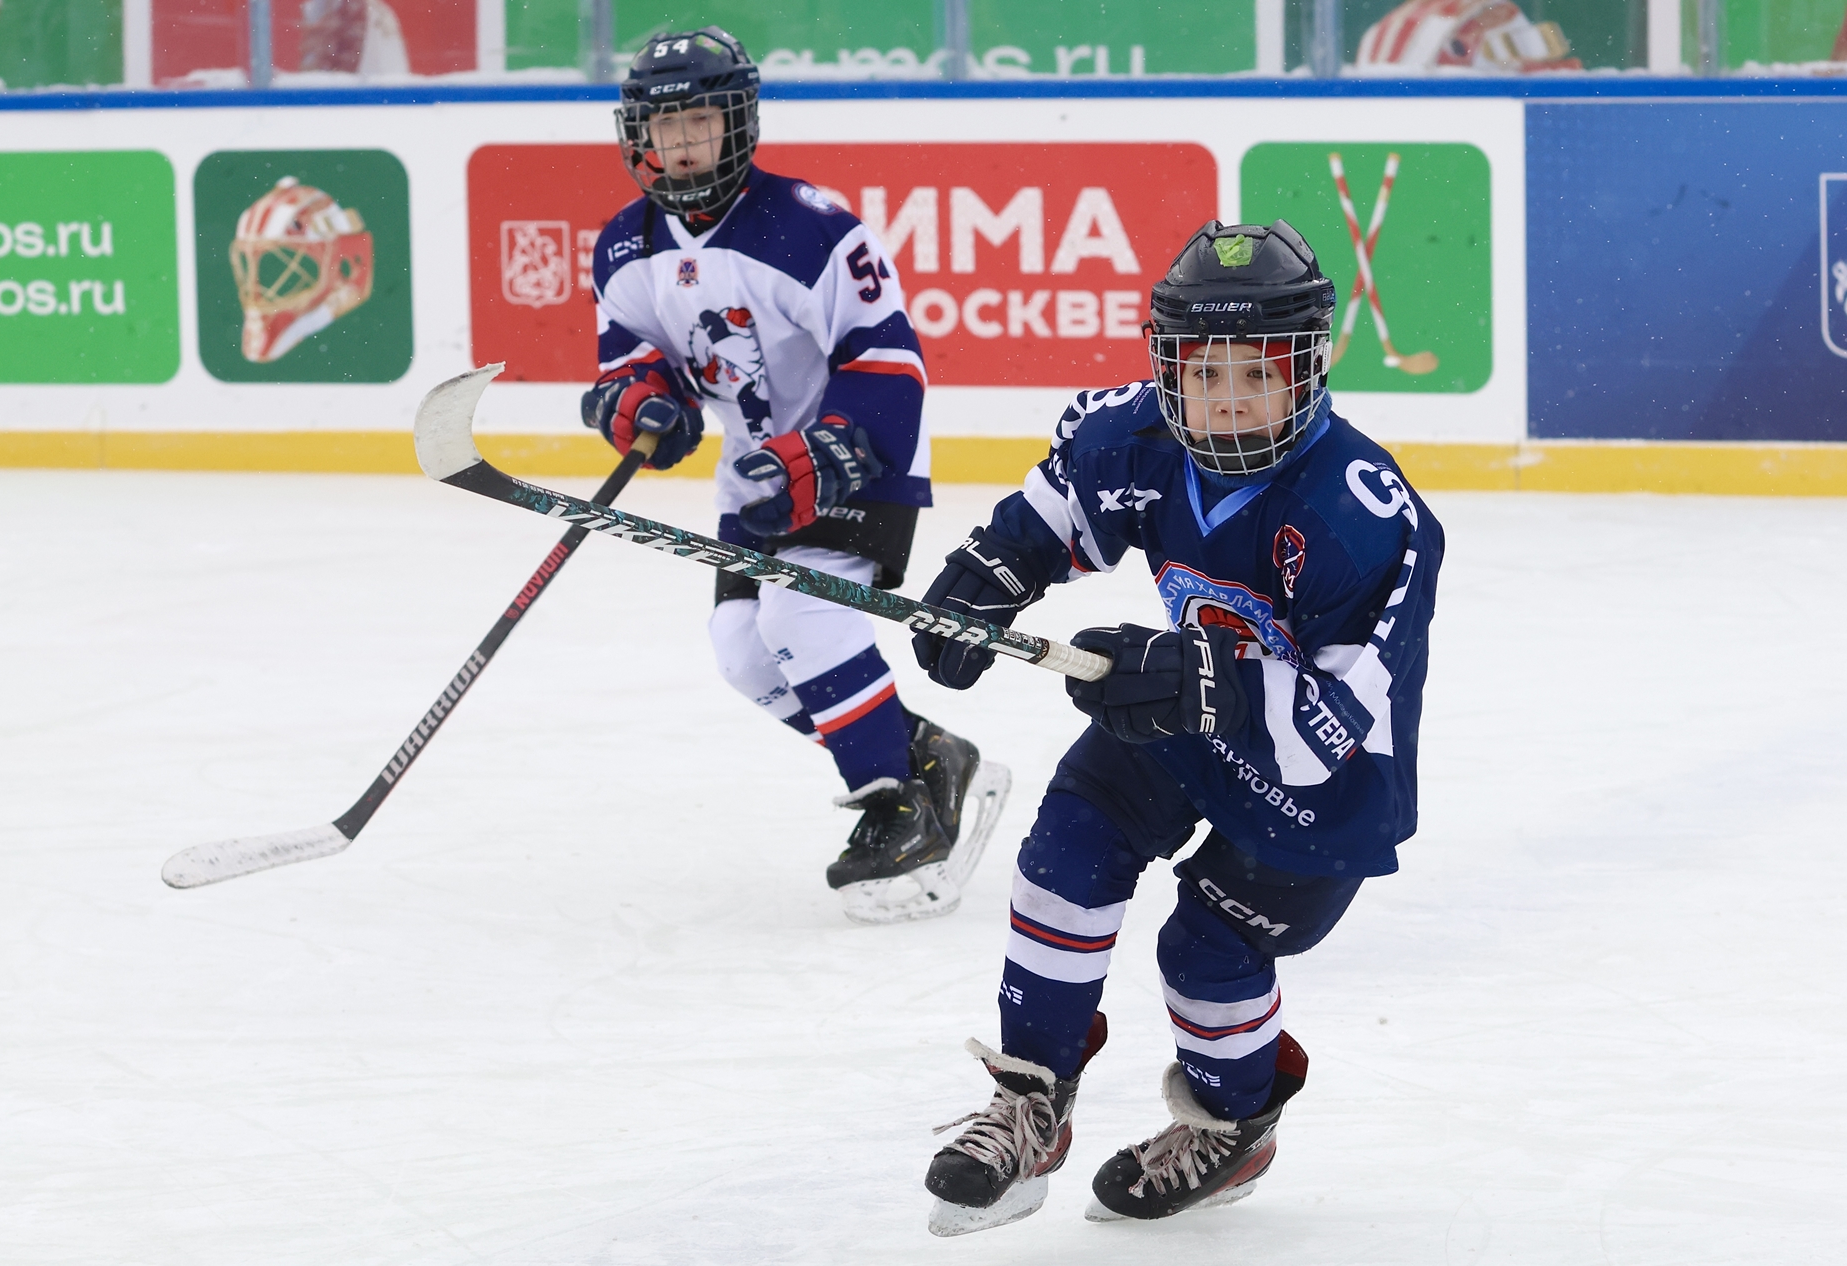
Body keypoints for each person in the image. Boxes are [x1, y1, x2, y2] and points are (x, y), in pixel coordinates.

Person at [910, 220, 1444, 1233]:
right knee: (1063, 855)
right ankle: (1030, 1099)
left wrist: (1202, 679)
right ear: (1167, 368)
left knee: (1203, 958)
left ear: (1308, 369)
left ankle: (1237, 1123)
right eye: (1205, 373)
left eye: (1258, 371)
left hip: (1321, 783)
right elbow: (1060, 508)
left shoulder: (1360, 513)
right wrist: (989, 578)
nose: (1229, 397)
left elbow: (1321, 732)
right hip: (1183, 716)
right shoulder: (1134, 437)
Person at [582, 27, 1004, 923]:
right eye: (668, 127)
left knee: (802, 618)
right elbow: (631, 361)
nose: (685, 143)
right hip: (752, 476)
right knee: (743, 652)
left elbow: (891, 364)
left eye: (702, 120)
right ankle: (926, 755)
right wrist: (643, 405)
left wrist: (836, 450)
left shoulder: (812, 227)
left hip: (863, 464)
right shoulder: (621, 248)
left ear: (738, 123)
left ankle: (895, 806)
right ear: (636, 137)